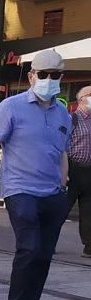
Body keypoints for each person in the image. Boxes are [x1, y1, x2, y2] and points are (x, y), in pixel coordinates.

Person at [0, 48, 71, 300]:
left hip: (52, 193)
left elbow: (63, 152)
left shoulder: (62, 114)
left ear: (60, 77)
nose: (48, 80)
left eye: (54, 75)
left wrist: (63, 182)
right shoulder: (11, 107)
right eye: (43, 74)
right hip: (20, 189)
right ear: (32, 76)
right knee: (29, 248)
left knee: (43, 255)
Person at [66, 84, 91, 257]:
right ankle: (48, 241)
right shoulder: (71, 119)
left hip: (89, 171)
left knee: (89, 210)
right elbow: (63, 145)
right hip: (73, 168)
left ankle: (89, 245)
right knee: (62, 208)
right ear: (81, 100)